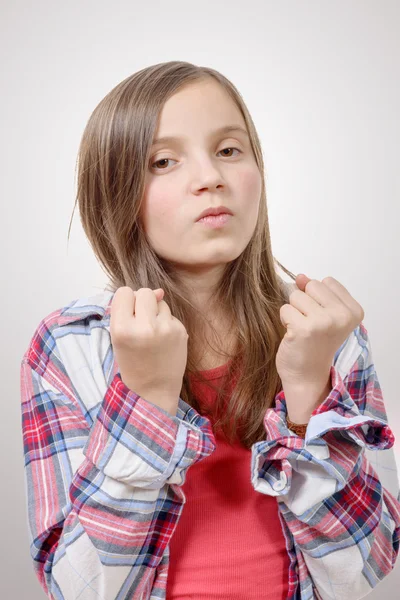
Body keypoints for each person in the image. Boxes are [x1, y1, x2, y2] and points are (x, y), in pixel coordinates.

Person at [20, 61, 400, 600]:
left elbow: (365, 570)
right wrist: (147, 402)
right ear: (116, 191)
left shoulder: (325, 333)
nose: (210, 177)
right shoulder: (69, 345)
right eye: (164, 161)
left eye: (228, 150)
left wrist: (309, 396)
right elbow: (81, 590)